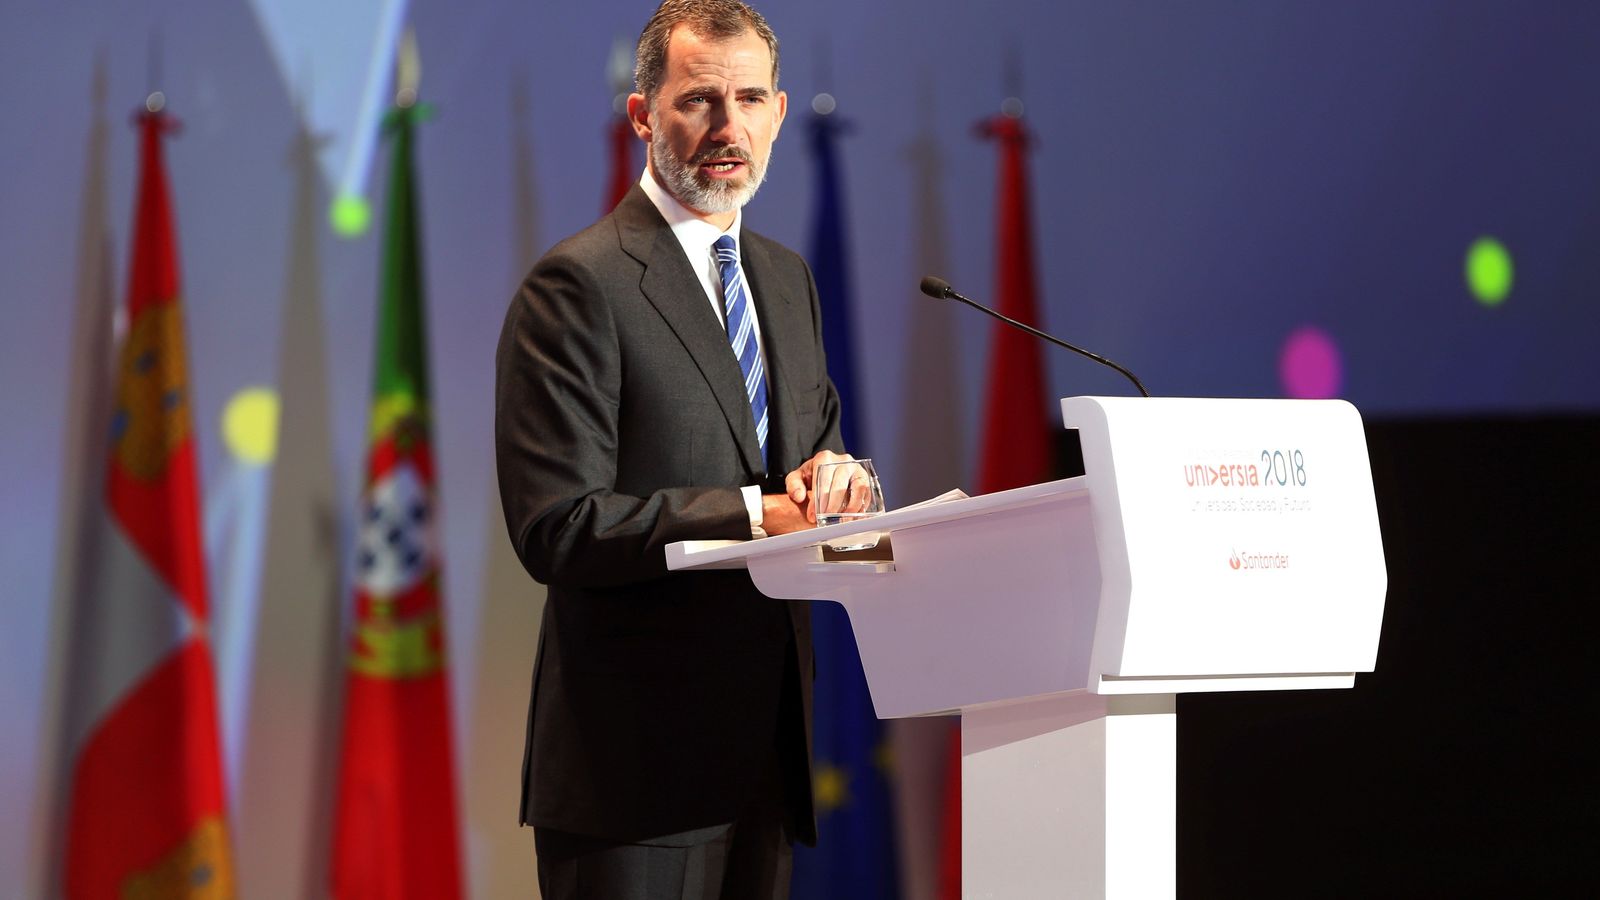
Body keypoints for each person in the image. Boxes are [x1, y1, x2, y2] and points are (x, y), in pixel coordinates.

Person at [493, 1, 852, 897]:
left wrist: (840, 485)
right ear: (643, 114)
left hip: (765, 756)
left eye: (750, 99)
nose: (728, 128)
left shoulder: (784, 277)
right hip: (634, 777)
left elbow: (810, 461)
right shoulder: (580, 283)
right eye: (698, 101)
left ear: (777, 110)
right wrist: (747, 513)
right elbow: (559, 527)